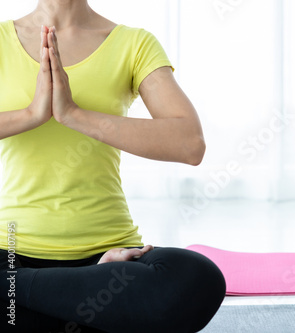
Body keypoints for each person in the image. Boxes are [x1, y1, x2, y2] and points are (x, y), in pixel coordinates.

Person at [0, 1, 225, 332]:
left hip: (108, 258)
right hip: (11, 249)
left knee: (196, 278)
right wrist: (31, 114)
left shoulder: (133, 43)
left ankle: (22, 297)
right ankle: (66, 304)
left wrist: (73, 114)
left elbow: (189, 143)